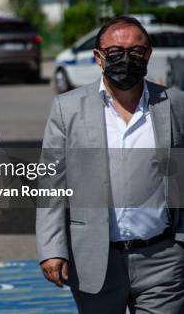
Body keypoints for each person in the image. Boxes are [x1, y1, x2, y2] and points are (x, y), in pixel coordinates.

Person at [37, 16, 184, 313]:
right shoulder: (68, 108)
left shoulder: (175, 103)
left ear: (148, 55)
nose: (126, 59)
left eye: (136, 52)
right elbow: (51, 183)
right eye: (116, 52)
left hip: (163, 258)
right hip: (94, 258)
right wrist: (52, 249)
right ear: (98, 57)